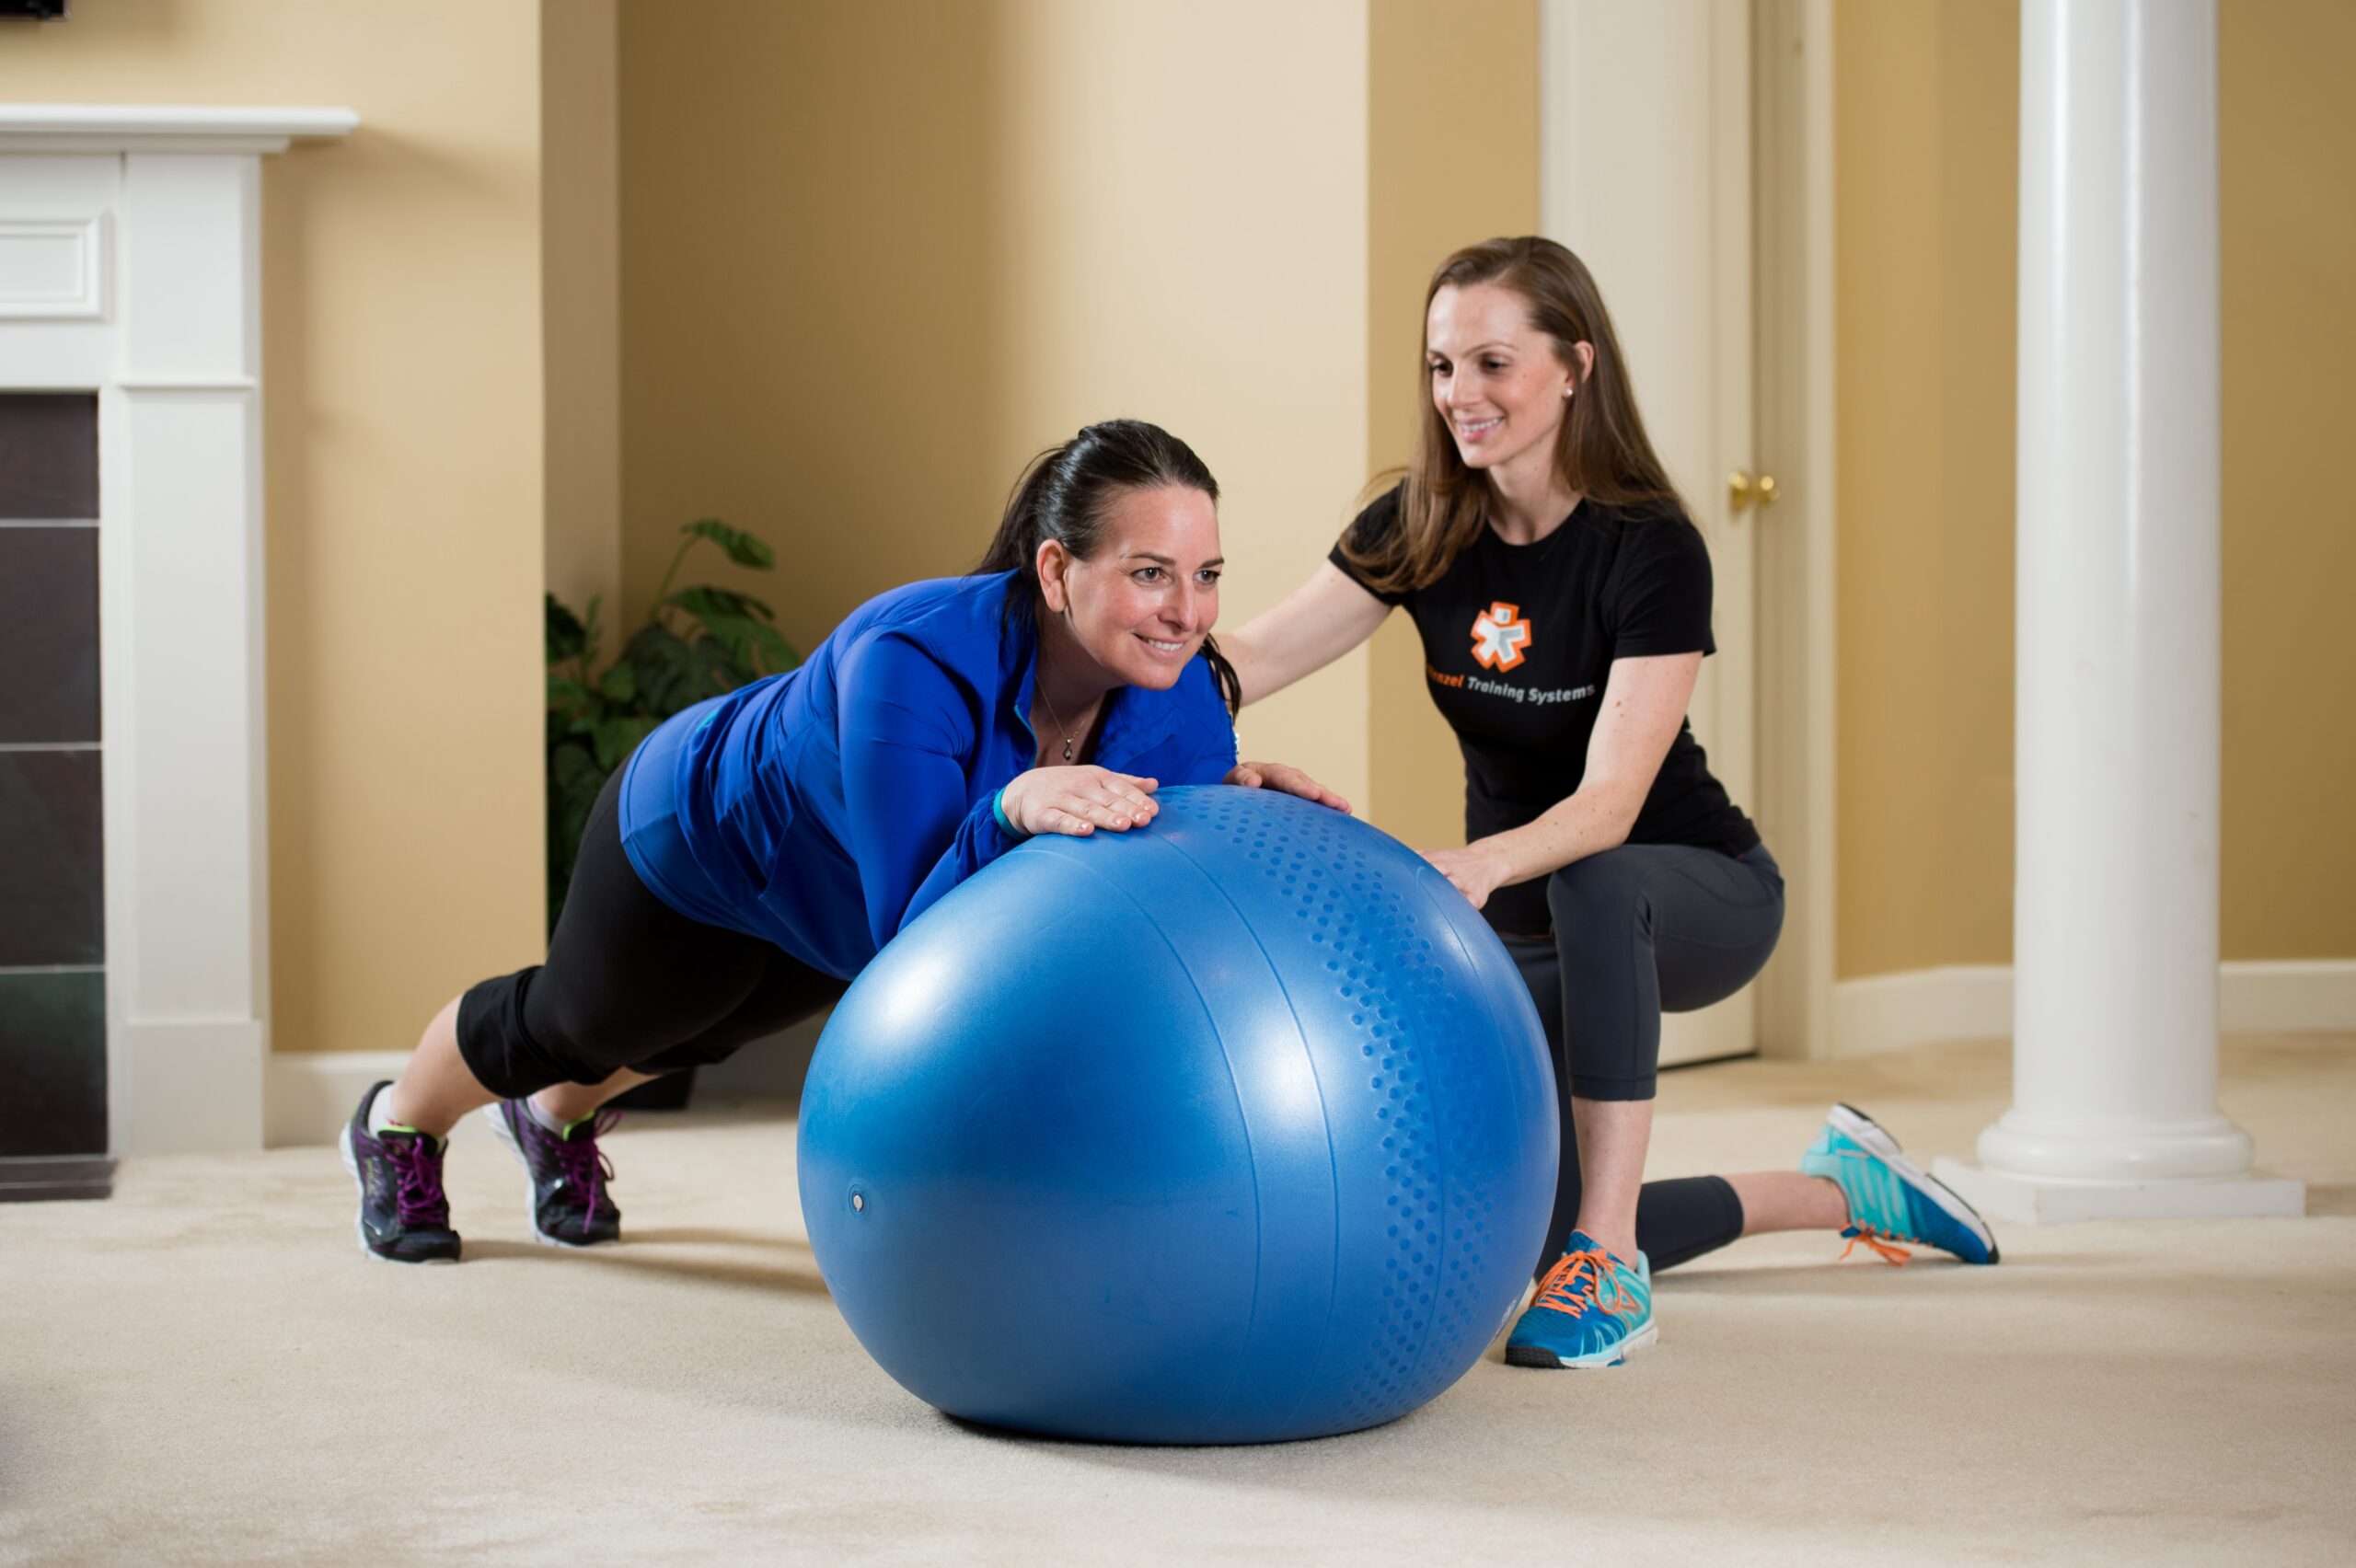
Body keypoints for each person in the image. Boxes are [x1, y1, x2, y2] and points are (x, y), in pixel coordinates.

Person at [1218, 236, 1996, 1370]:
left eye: (1491, 363)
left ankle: (1611, 1268)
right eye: (1441, 367)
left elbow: (1609, 807)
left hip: (1690, 895)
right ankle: (1835, 1190)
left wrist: (1476, 868)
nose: (1458, 397)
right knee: (1520, 1228)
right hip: (1529, 918)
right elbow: (1253, 656)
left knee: (1592, 879)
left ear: (1575, 365)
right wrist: (1133, 693)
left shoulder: (1649, 546)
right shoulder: (1420, 525)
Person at [341, 419, 1345, 1263]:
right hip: (705, 843)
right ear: (1055, 569)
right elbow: (917, 941)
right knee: (577, 1019)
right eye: (1149, 573)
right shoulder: (910, 656)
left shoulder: (1184, 701)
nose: (1188, 612)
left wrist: (1231, 803)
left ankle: (553, 1117)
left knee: (696, 1032)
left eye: (1206, 574)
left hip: (843, 903)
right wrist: (1008, 809)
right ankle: (400, 1123)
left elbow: (1146, 871)